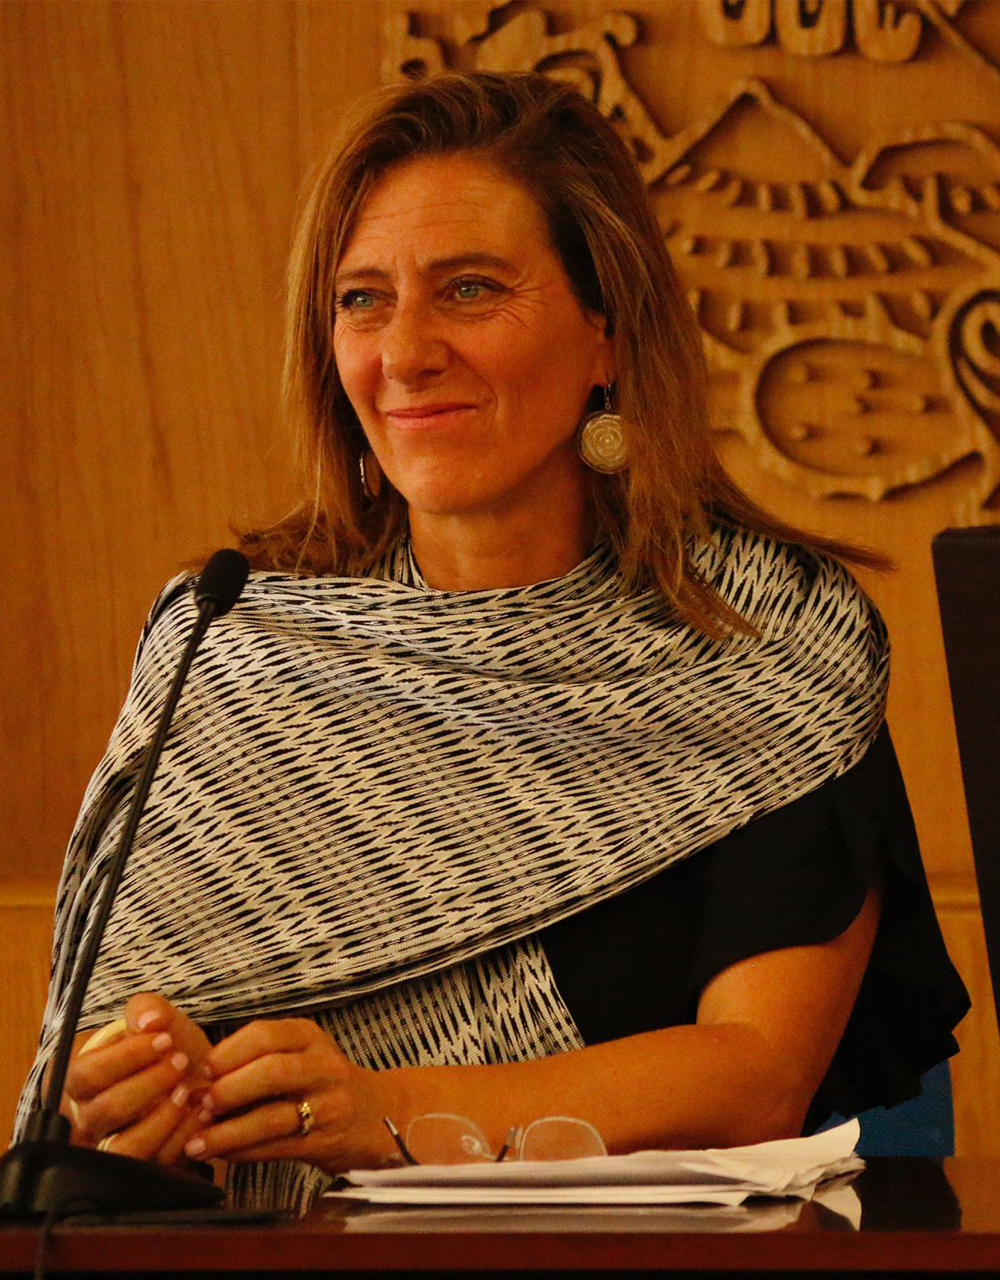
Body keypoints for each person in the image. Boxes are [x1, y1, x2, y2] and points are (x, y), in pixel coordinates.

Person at [19, 72, 968, 1212]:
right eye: (362, 300)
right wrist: (154, 1107)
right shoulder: (230, 643)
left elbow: (756, 1075)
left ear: (606, 330)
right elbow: (113, 1110)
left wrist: (389, 1111)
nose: (405, 351)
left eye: (468, 289)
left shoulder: (770, 638)